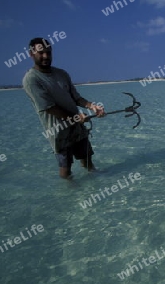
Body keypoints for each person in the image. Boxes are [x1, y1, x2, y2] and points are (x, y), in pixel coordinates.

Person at [23, 37, 106, 179]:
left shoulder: (62, 73)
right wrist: (75, 117)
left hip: (77, 127)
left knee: (88, 161)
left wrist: (91, 106)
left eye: (48, 52)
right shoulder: (31, 79)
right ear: (31, 54)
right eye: (41, 52)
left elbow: (76, 98)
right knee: (66, 170)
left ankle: (95, 185)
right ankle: (69, 194)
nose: (45, 56)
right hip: (58, 131)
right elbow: (49, 108)